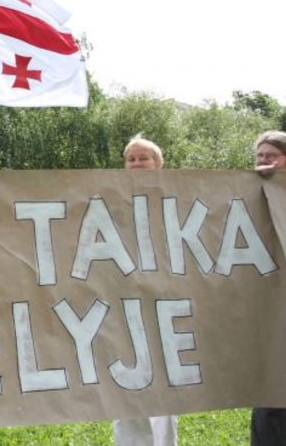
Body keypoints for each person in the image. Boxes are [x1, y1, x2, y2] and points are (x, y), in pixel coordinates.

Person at [113, 134, 178, 446]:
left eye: (143, 158)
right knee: (127, 378)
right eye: (131, 159)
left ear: (159, 163)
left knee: (165, 380)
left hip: (165, 303)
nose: (137, 163)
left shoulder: (177, 196)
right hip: (125, 301)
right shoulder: (110, 198)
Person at [250, 130, 286, 446]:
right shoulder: (243, 194)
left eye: (271, 156)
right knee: (273, 391)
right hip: (273, 307)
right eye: (260, 156)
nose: (263, 161)